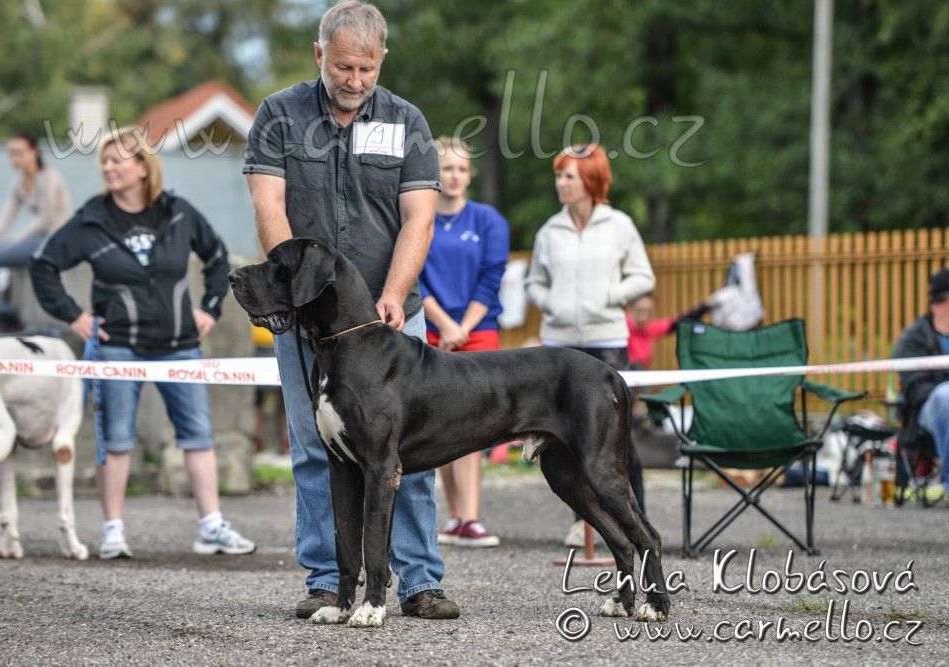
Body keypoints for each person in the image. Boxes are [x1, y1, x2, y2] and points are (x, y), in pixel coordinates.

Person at [242, 1, 457, 619]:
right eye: (343, 67)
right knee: (316, 447)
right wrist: (295, 297)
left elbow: (419, 219)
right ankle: (327, 580)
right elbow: (269, 208)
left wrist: (393, 290)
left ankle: (418, 582)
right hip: (309, 322)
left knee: (406, 453)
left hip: (391, 315)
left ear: (382, 59)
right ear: (319, 54)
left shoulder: (407, 121)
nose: (355, 80)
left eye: (367, 68)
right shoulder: (279, 115)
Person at [30, 126, 255, 560]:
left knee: (198, 436)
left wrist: (210, 307)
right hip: (117, 346)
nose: (108, 168)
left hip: (179, 345)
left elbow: (217, 256)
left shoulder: (178, 212)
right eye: (104, 161)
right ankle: (113, 532)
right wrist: (75, 316)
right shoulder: (91, 220)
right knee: (116, 440)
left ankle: (211, 528)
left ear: (143, 167)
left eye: (117, 160)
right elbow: (43, 265)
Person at [525, 143, 654, 548]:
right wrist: (552, 302)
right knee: (562, 439)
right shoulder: (549, 231)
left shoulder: (620, 226)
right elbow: (534, 283)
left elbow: (643, 276)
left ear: (591, 180)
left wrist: (610, 296)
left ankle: (636, 520)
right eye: (559, 175)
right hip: (559, 347)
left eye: (569, 176)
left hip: (607, 342)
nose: (561, 183)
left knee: (616, 440)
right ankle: (583, 521)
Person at [420, 137, 509, 549]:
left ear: (469, 175)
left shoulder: (488, 220)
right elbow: (414, 276)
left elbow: (492, 278)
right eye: (446, 168)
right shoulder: (419, 218)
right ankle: (455, 516)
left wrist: (463, 327)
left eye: (461, 169)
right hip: (431, 330)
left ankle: (471, 518)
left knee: (472, 423)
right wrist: (443, 324)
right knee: (438, 423)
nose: (454, 176)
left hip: (479, 330)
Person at [0, 131, 72, 332]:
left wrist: (15, 242)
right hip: (39, 239)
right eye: (11, 153)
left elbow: (45, 221)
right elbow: (3, 221)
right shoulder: (19, 184)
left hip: (57, 241)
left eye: (20, 152)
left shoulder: (49, 178)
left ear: (34, 152)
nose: (15, 158)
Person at [893, 268, 949, 495]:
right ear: (941, 301)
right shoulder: (913, 338)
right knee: (945, 395)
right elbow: (914, 388)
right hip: (926, 411)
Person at [626, 293, 710, 370]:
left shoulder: (650, 328)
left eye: (648, 311)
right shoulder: (623, 326)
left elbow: (678, 322)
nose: (644, 316)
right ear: (630, 309)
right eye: (640, 311)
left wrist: (705, 306)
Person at [251, 323, 290, 457]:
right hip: (259, 343)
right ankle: (258, 439)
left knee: (285, 398)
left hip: (282, 339)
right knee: (258, 399)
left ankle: (286, 441)